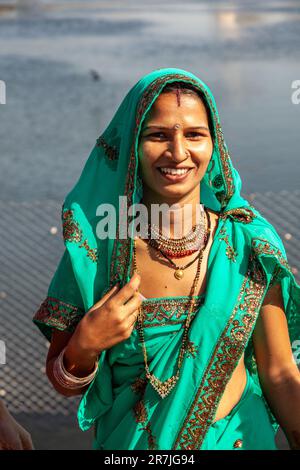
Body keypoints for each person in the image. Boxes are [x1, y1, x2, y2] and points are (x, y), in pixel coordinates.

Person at [32, 68, 300, 450]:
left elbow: (279, 374)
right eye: (157, 135)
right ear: (131, 146)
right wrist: (86, 346)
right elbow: (61, 381)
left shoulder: (248, 243)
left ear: (214, 145)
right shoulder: (99, 252)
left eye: (194, 135)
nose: (178, 152)